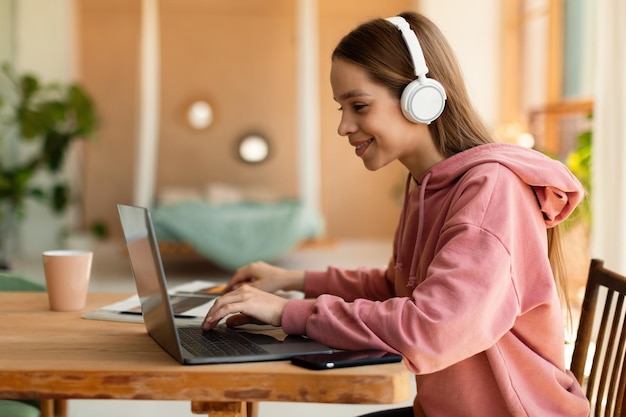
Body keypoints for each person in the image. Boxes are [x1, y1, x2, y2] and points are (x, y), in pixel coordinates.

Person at [203, 11, 590, 417]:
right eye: (341, 107)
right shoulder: (426, 184)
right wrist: (293, 281)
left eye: (359, 105)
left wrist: (288, 312)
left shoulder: (491, 192)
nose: (344, 126)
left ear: (421, 100)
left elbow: (432, 329)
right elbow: (397, 288)